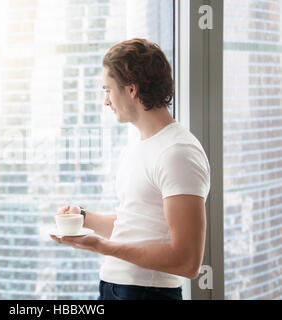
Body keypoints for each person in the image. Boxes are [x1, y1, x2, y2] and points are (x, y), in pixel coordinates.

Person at [50, 38, 211, 300]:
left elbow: (187, 260)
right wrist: (83, 217)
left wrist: (103, 247)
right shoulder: (138, 147)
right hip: (115, 288)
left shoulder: (178, 152)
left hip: (146, 293)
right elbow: (136, 226)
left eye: (108, 90)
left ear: (132, 90)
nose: (106, 101)